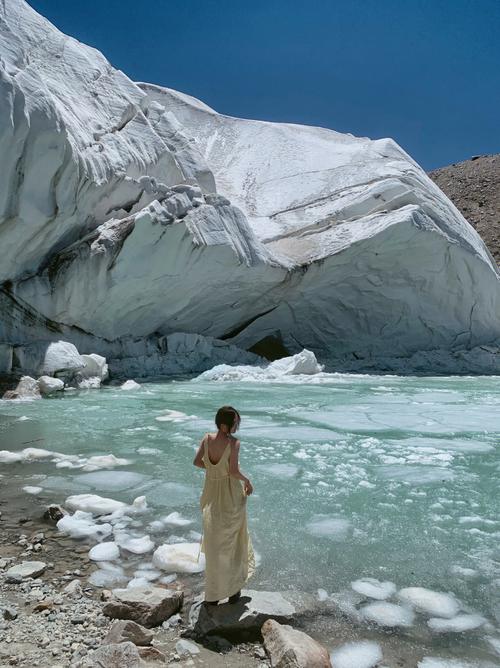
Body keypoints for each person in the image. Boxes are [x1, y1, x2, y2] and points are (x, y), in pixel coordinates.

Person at [193, 405, 255, 605]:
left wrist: (213, 471)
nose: (237, 424)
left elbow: (197, 462)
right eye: (235, 421)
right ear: (226, 424)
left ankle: (212, 595)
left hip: (210, 496)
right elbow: (234, 471)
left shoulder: (207, 439)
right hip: (230, 496)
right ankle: (232, 590)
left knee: (214, 545)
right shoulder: (234, 443)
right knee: (233, 542)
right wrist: (247, 480)